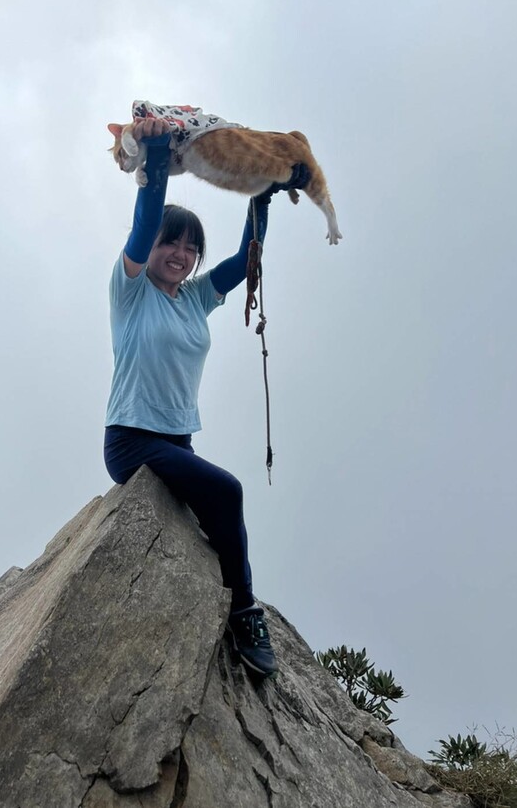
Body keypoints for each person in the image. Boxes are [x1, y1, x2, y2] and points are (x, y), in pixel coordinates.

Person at [104, 117, 309, 677]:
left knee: (217, 522)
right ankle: (245, 608)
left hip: (177, 441)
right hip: (130, 440)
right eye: (173, 242)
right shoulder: (132, 290)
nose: (180, 253)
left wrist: (264, 190)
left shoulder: (195, 300)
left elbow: (247, 256)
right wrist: (154, 156)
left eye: (191, 247)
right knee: (228, 491)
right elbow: (144, 225)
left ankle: (235, 600)